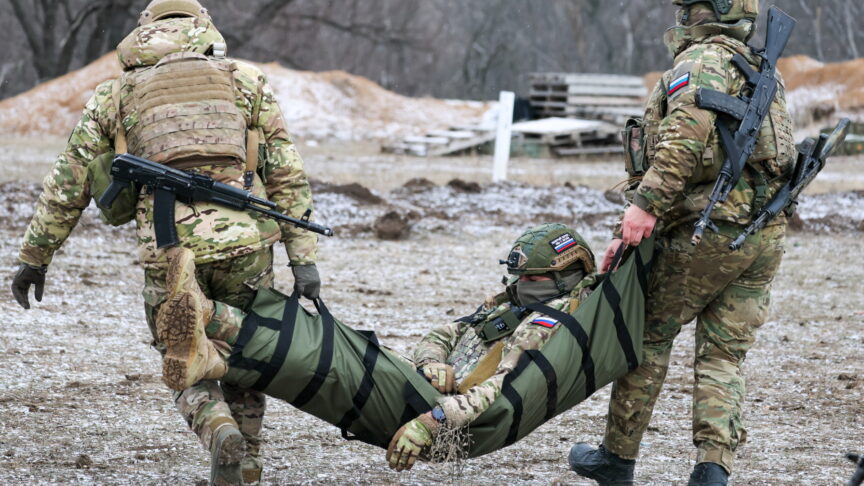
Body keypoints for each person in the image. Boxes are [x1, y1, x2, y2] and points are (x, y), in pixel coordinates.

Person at [9, 1, 321, 484]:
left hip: (169, 249)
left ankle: (218, 431)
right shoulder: (246, 81)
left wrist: (35, 258)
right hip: (245, 245)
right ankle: (249, 462)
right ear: (203, 28)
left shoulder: (116, 94)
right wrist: (303, 260)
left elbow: (67, 183)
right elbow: (286, 174)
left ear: (146, 33)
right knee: (246, 353)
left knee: (183, 353)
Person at [155, 224, 612, 473]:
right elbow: (442, 333)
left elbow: (504, 389)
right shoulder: (511, 304)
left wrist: (433, 420)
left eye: (528, 280)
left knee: (326, 358)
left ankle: (211, 319)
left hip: (449, 418)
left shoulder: (549, 326)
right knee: (335, 346)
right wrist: (434, 363)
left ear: (566, 276)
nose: (517, 287)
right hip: (430, 391)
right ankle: (212, 344)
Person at [568, 1, 794, 485]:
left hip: (707, 232)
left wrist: (643, 206)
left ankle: (617, 457)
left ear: (700, 13)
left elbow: (683, 140)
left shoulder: (703, 63)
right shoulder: (759, 68)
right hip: (761, 236)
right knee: (722, 355)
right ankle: (713, 470)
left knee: (645, 336)